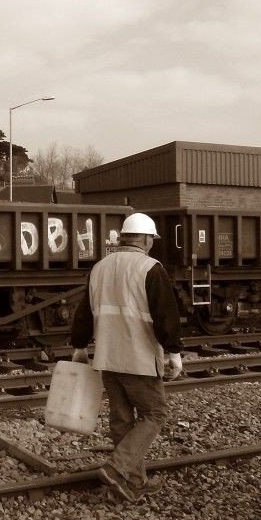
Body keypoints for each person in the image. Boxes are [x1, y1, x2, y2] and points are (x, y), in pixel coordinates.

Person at [70, 212, 183, 501]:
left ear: (123, 238)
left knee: (121, 420)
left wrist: (80, 346)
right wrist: (174, 352)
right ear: (146, 239)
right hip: (139, 357)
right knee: (155, 413)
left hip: (107, 355)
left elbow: (85, 311)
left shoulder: (100, 267)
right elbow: (165, 316)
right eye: (152, 240)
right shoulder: (150, 268)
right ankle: (117, 468)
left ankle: (133, 482)